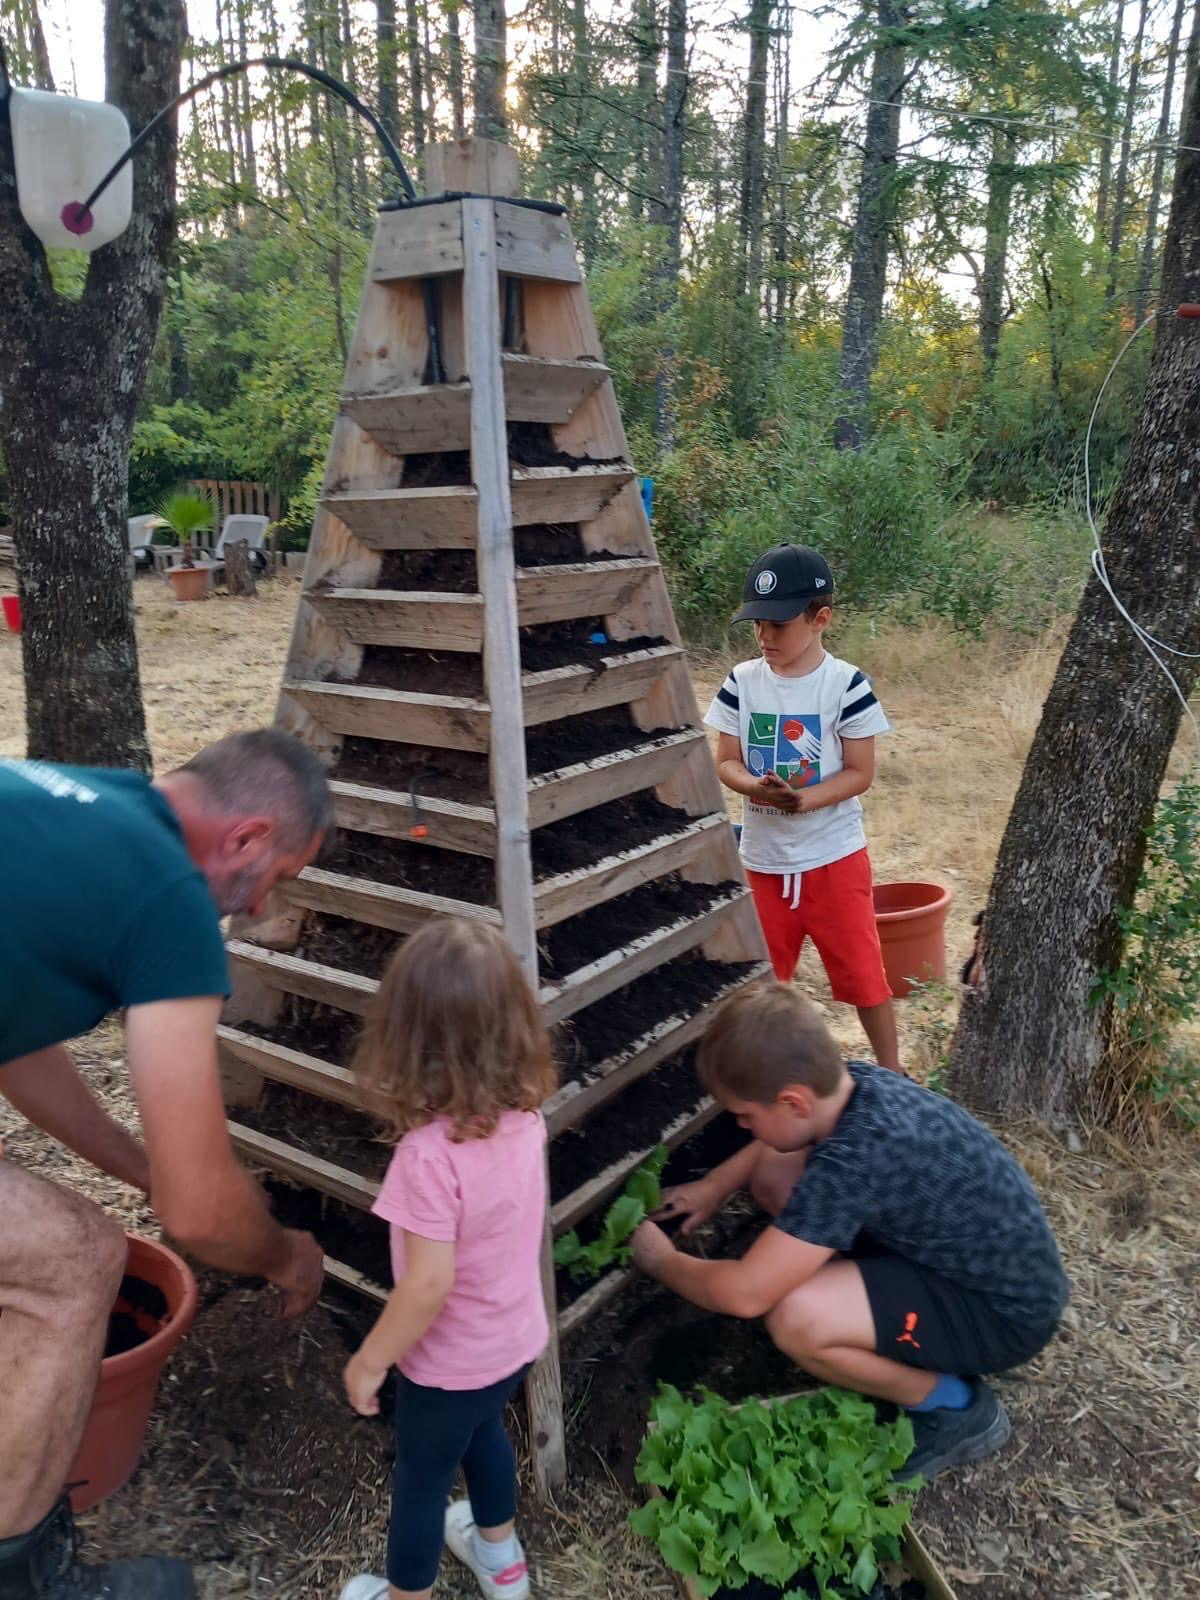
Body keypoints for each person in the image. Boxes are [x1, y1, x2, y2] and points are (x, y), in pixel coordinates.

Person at [0, 731, 335, 1600]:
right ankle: (29, 1580)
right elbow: (197, 1217)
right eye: (280, 878)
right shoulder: (171, 900)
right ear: (247, 838)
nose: (262, 908)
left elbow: (19, 1053)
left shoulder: (77, 796)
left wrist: (149, 1169)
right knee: (78, 1256)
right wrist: (282, 1254)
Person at [631, 983, 1069, 1482]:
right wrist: (713, 1186)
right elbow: (780, 1146)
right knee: (777, 1171)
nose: (744, 1128)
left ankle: (956, 1408)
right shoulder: (856, 1084)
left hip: (1001, 1319)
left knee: (797, 1317)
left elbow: (745, 1294)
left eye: (745, 1117)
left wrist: (661, 1260)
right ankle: (867, 1312)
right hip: (981, 1270)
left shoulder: (855, 1160)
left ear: (793, 1101)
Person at [339, 919, 557, 1600]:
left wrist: (371, 1358)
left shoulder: (427, 1159)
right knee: (485, 1432)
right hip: (514, 1338)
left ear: (405, 1041)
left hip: (448, 1364)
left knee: (422, 1483)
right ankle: (501, 1561)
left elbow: (428, 1284)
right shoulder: (527, 1121)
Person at [705, 542, 901, 1071]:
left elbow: (861, 772)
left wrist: (803, 800)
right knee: (763, 985)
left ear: (821, 619)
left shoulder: (846, 685)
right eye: (757, 626)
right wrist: (752, 788)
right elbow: (726, 762)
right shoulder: (741, 683)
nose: (765, 637)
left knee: (864, 979)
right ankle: (763, 1079)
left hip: (834, 862)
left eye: (778, 625)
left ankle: (895, 1075)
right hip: (763, 865)